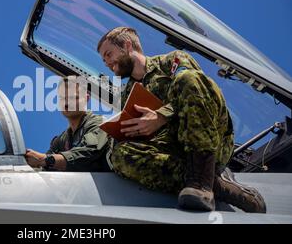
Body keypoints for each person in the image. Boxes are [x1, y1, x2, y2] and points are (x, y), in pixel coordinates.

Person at [97, 26, 266, 212]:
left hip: (210, 141)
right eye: (104, 59)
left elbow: (197, 90)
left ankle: (202, 184)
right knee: (120, 154)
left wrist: (161, 116)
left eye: (109, 54)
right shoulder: (128, 94)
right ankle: (216, 184)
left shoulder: (172, 61)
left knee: (188, 78)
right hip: (173, 152)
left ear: (127, 46)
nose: (107, 62)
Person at [25, 77, 112, 172]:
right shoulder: (61, 141)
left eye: (72, 97)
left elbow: (88, 153)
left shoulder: (99, 125)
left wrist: (44, 159)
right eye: (62, 98)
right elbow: (44, 167)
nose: (66, 103)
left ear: (86, 98)